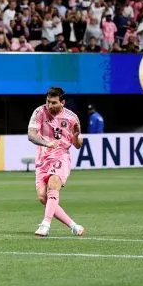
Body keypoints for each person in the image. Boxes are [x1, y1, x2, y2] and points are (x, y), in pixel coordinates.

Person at [27, 87, 85, 238]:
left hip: (61, 156)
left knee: (53, 185)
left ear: (62, 102)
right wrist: (47, 143)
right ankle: (74, 226)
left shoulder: (72, 118)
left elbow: (78, 144)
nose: (49, 106)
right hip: (42, 159)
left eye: (54, 103)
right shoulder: (39, 112)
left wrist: (76, 135)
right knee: (42, 197)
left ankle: (45, 224)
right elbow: (31, 135)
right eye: (48, 102)